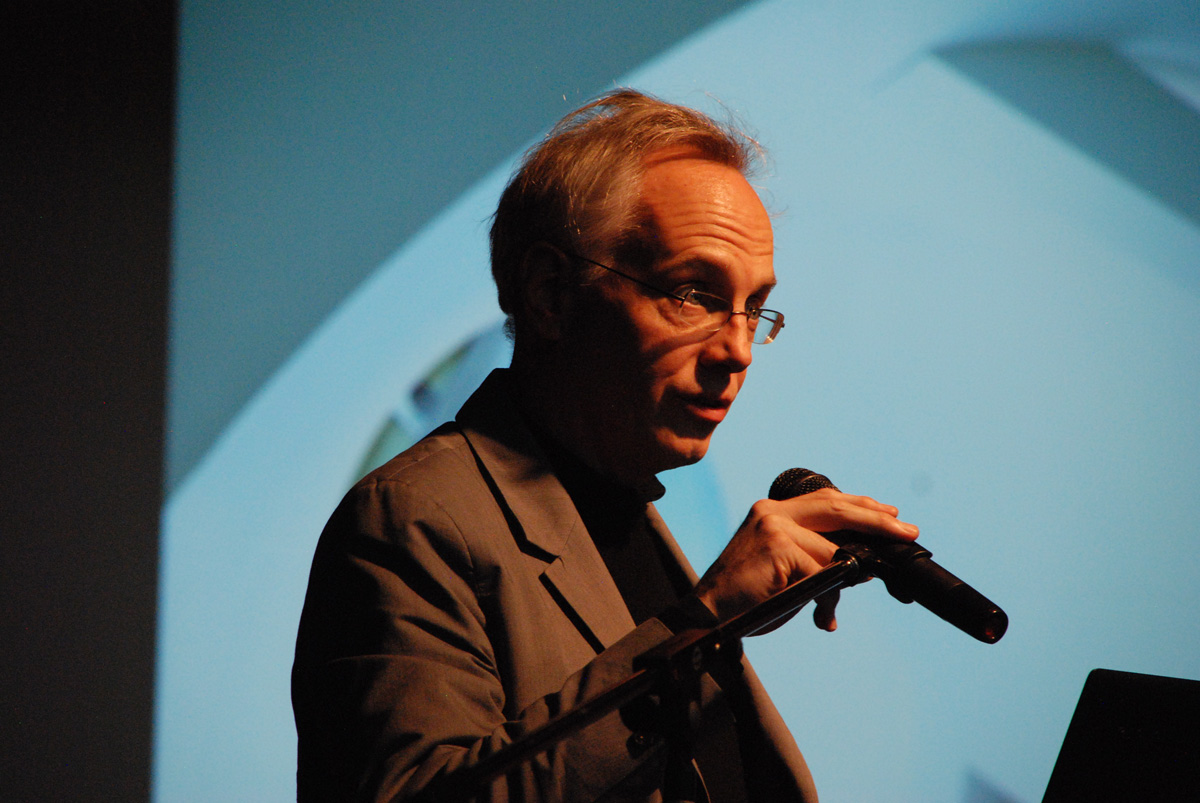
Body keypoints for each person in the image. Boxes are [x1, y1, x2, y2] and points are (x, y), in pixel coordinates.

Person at [292, 89, 919, 802]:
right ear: (551, 293)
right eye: (694, 293)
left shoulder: (629, 515)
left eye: (754, 306)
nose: (739, 349)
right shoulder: (413, 518)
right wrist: (701, 623)